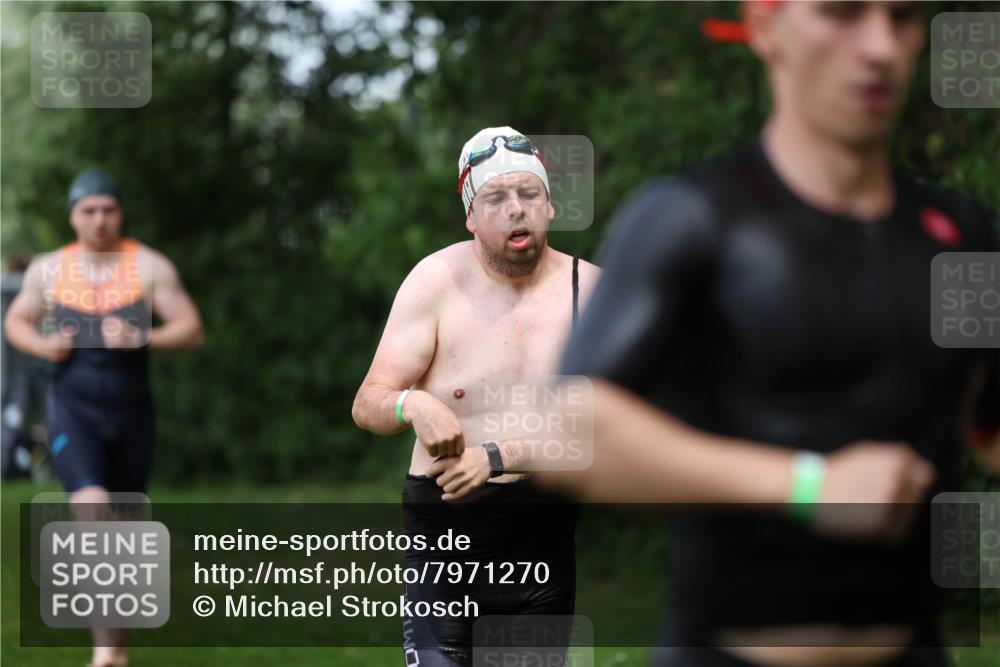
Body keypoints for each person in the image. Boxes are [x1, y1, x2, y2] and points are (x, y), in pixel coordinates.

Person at [531, 2, 1000, 667]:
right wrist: (808, 484)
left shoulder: (960, 234)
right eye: (841, 13)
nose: (880, 47)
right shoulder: (691, 217)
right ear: (764, 27)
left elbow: (988, 425)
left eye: (902, 17)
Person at [352, 126, 600, 666]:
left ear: (550, 204)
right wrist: (412, 404)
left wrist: (494, 457)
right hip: (442, 545)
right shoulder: (436, 281)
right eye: (496, 198)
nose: (516, 210)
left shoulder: (593, 294)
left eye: (529, 194)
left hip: (542, 544)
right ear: (470, 215)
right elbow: (368, 401)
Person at [4, 169, 204, 667]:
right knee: (92, 514)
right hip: (72, 409)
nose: (99, 219)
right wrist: (43, 345)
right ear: (73, 215)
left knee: (124, 533)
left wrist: (145, 337)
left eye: (108, 209)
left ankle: (117, 650)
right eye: (88, 210)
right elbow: (15, 323)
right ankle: (104, 653)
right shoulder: (49, 269)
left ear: (120, 212)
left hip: (132, 413)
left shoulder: (149, 266)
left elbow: (192, 329)